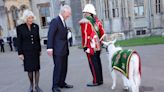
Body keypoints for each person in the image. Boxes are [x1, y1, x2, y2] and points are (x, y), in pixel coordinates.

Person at [47, 5, 73, 92]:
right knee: (58, 68)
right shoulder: (55, 21)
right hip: (57, 50)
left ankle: (62, 83)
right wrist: (49, 48)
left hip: (64, 49)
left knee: (64, 67)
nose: (69, 15)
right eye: (68, 13)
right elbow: (50, 35)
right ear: (63, 12)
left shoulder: (63, 21)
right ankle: (54, 86)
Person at [79, 4, 105, 87]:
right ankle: (100, 79)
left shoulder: (85, 21)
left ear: (88, 12)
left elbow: (85, 34)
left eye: (85, 12)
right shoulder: (97, 21)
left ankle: (96, 81)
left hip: (90, 46)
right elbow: (102, 33)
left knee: (93, 63)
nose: (84, 13)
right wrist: (100, 43)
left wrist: (85, 46)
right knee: (98, 62)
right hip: (98, 45)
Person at [16, 9, 42, 92]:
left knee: (37, 69)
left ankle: (37, 86)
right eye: (29, 18)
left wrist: (40, 49)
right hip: (26, 52)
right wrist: (20, 53)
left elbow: (38, 39)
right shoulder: (20, 28)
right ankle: (31, 85)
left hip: (35, 51)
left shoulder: (36, 26)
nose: (31, 19)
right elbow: (19, 41)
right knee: (30, 70)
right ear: (25, 18)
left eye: (32, 18)